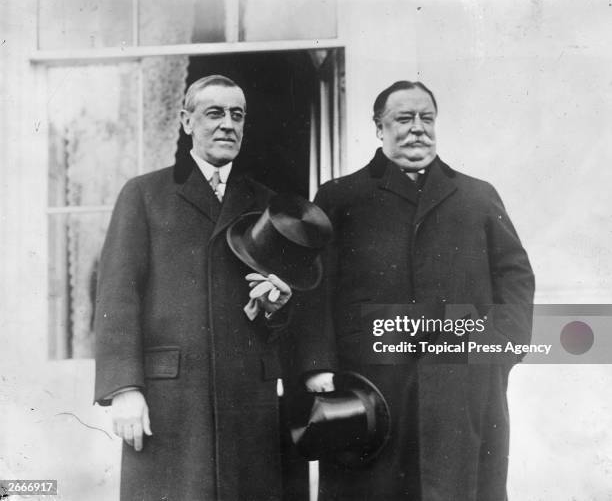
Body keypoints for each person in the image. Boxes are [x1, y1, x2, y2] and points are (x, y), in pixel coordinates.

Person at [294, 81, 535, 500]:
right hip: (370, 386)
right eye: (404, 119)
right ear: (379, 127)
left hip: (462, 382)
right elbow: (314, 287)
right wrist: (318, 364)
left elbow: (515, 276)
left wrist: (501, 348)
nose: (417, 129)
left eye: (426, 118)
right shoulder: (341, 197)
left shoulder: (477, 197)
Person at [94, 74, 328, 500]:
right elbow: (116, 296)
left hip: (249, 398)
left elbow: (289, 313)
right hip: (173, 397)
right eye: (214, 113)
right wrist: (125, 389)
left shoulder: (268, 203)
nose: (227, 124)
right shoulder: (145, 194)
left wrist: (277, 306)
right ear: (186, 122)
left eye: (237, 115)